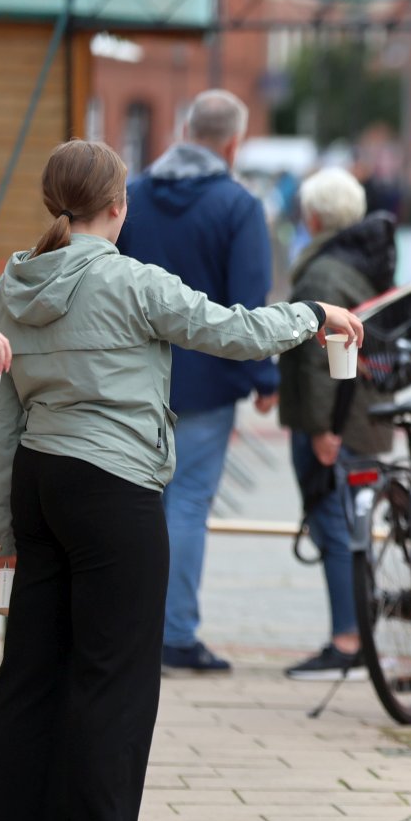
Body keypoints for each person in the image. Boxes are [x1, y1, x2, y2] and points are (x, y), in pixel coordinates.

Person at [0, 139, 361, 821]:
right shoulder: (132, 282)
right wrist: (311, 314)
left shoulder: (8, 289)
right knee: (114, 679)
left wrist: (0, 533)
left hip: (37, 481)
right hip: (112, 487)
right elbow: (235, 332)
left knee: (29, 675)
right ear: (117, 206)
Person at [116, 88, 277, 674]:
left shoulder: (132, 196)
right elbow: (249, 297)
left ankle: (130, 632)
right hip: (208, 380)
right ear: (233, 144)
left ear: (185, 131)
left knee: (138, 503)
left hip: (135, 378)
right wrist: (263, 375)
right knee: (186, 504)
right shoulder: (238, 205)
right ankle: (176, 635)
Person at [278, 168, 397, 681]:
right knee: (351, 526)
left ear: (314, 217)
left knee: (334, 524)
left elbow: (319, 361)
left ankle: (347, 641)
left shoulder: (323, 273)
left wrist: (323, 429)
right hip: (364, 416)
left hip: (337, 423)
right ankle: (357, 638)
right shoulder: (362, 258)